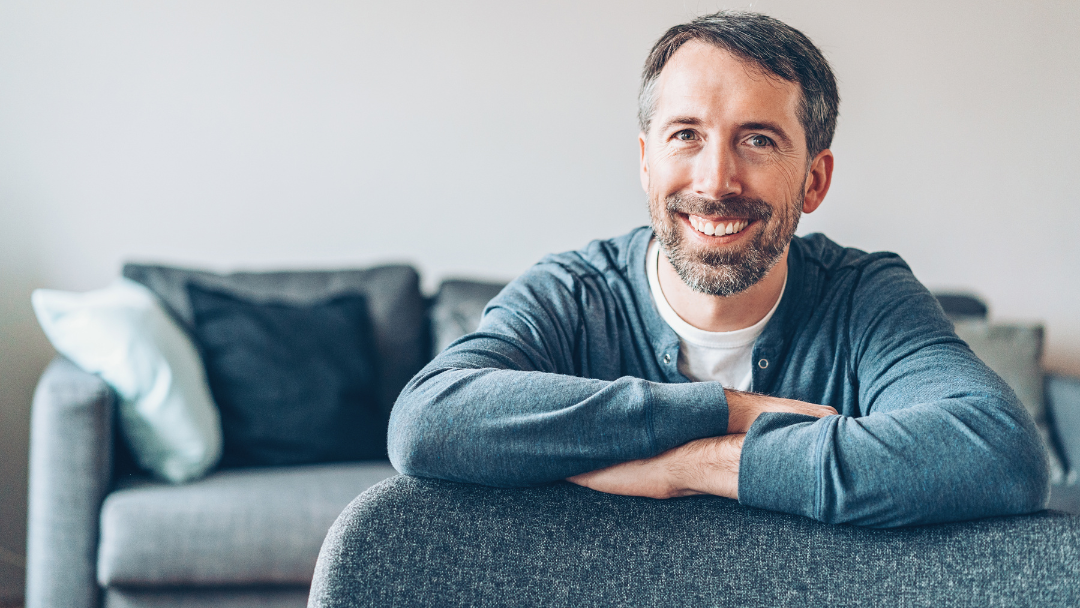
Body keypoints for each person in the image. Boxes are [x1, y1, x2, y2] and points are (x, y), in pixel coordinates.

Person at [387, 11, 1048, 527]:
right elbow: (428, 422)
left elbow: (1000, 455)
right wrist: (731, 410)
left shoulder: (864, 297)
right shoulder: (575, 293)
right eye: (686, 135)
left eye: (758, 140)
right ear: (646, 161)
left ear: (814, 180)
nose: (717, 179)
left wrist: (698, 465)